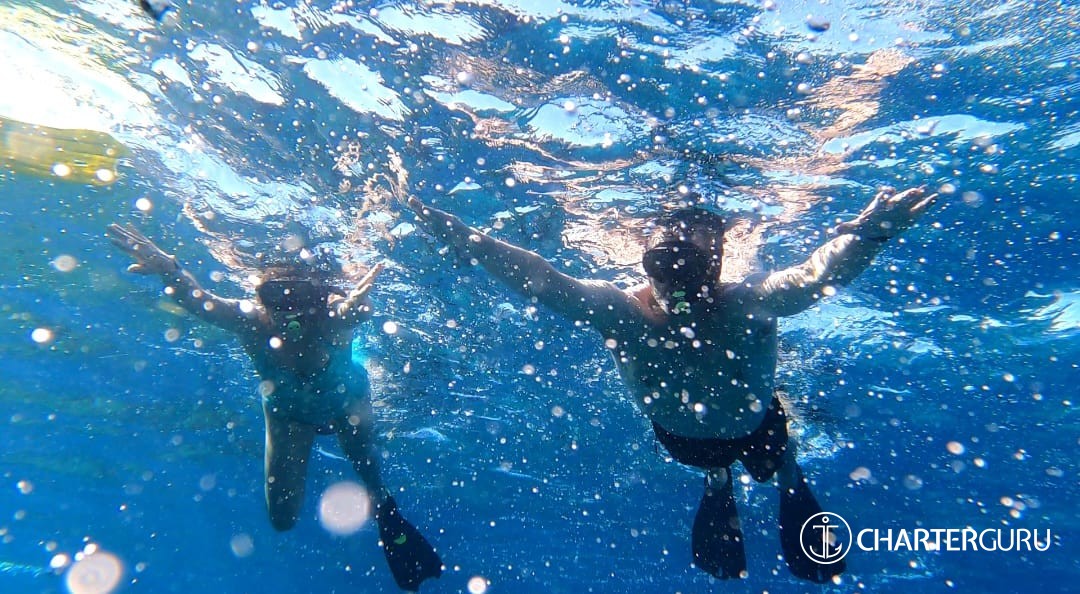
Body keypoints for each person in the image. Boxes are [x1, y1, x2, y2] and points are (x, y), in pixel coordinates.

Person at [406, 186, 935, 582]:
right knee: (762, 459)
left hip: (726, 430)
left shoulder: (745, 300)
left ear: (717, 265)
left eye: (692, 269)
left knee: (776, 459)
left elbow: (811, 279)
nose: (678, 286)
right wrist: (466, 237)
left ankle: (748, 478)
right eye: (664, 265)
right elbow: (542, 278)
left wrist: (866, 236)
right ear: (648, 265)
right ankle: (732, 478)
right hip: (705, 436)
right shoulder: (622, 310)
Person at [106, 223, 443, 591]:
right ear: (259, 296)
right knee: (282, 519)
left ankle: (389, 518)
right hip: (289, 415)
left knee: (373, 481)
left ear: (319, 298)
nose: (287, 309)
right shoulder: (249, 321)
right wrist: (169, 270)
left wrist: (358, 308)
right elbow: (201, 302)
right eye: (275, 296)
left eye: (299, 296)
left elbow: (352, 314)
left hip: (347, 405)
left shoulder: (331, 319)